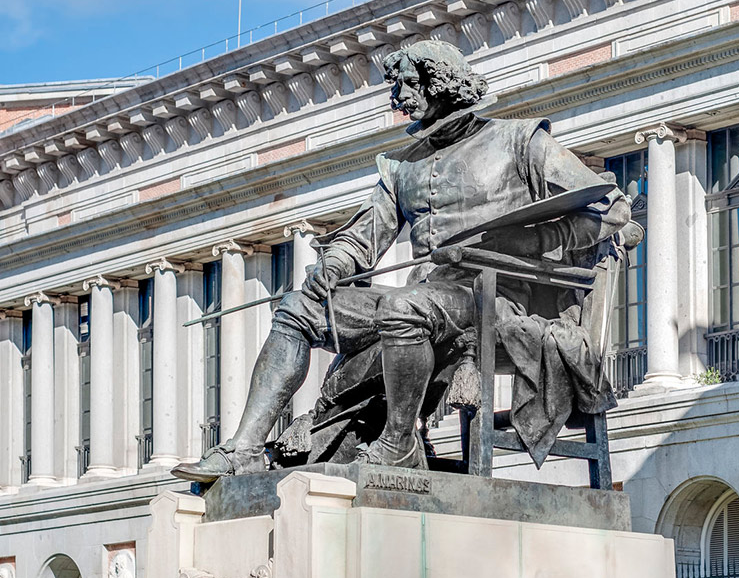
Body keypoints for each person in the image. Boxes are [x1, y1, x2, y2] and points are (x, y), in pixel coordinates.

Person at [171, 40, 629, 481]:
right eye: (397, 87)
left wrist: (533, 240)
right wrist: (334, 267)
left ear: (442, 84)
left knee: (402, 307)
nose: (399, 97)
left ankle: (399, 443)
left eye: (409, 85)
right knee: (298, 308)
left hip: (496, 297)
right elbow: (362, 238)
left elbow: (613, 209)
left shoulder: (519, 140)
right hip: (428, 295)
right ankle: (245, 449)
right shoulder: (400, 166)